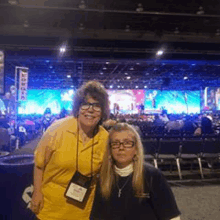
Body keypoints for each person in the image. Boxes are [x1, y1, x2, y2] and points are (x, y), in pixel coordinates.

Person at [30, 81, 109, 220]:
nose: (90, 110)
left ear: (103, 111)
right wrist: (37, 193)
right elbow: (39, 165)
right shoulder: (57, 129)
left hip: (84, 211)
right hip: (50, 209)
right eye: (86, 104)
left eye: (97, 106)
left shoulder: (105, 138)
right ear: (78, 108)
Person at [90, 123, 181, 220]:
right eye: (115, 143)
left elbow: (172, 216)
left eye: (127, 143)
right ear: (110, 149)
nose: (121, 148)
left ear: (136, 149)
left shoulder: (152, 176)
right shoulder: (103, 177)